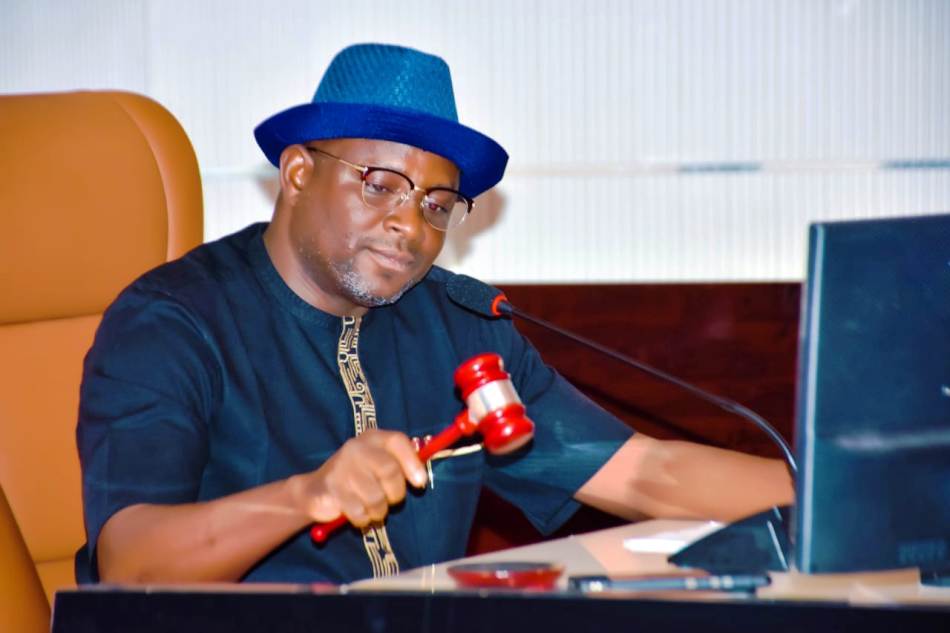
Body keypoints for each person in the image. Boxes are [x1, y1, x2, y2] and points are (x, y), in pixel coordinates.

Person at [76, 43, 792, 585]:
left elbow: (645, 475)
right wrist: (308, 495)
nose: (409, 225)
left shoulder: (460, 324)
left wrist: (841, 494)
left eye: (437, 204)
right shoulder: (172, 321)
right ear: (297, 173)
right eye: (381, 184)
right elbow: (132, 565)